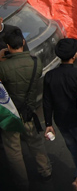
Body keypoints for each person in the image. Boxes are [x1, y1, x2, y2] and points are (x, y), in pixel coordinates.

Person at [0, 27, 52, 190]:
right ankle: (46, 170)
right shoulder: (35, 62)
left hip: (11, 114)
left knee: (13, 150)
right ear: (23, 42)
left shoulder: (4, 67)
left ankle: (22, 183)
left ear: (8, 46)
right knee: (35, 142)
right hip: (29, 111)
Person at [43, 38, 77, 191]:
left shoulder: (50, 76)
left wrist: (48, 124)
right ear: (74, 56)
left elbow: (47, 101)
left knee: (73, 148)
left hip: (61, 121)